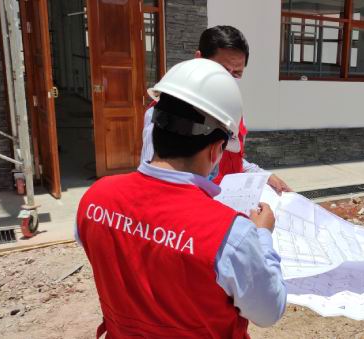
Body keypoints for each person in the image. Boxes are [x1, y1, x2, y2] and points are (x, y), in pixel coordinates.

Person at [76, 59, 287, 338]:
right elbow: (269, 310)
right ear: (215, 151)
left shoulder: (95, 198)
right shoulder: (231, 235)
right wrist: (262, 235)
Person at [141, 25, 291, 193]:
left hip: (227, 201)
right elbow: (154, 178)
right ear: (199, 59)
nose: (229, 80)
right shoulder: (165, 114)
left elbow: (230, 158)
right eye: (222, 70)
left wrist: (263, 176)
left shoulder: (230, 109)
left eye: (237, 74)